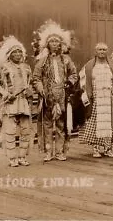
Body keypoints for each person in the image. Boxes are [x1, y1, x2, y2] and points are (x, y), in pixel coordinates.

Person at [32, 20, 78, 162]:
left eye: (57, 42)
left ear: (61, 45)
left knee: (60, 124)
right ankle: (48, 152)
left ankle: (59, 151)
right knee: (47, 124)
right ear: (48, 44)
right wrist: (41, 89)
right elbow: (36, 77)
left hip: (62, 96)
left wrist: (69, 83)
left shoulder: (66, 60)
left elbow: (74, 74)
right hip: (47, 97)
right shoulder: (42, 60)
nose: (55, 45)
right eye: (52, 42)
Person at [0, 36, 34, 167]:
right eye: (14, 52)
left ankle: (22, 156)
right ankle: (12, 158)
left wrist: (30, 91)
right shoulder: (4, 69)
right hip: (10, 103)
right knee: (10, 131)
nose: (17, 54)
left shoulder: (27, 68)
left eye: (19, 52)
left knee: (25, 130)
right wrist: (6, 94)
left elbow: (29, 84)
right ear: (9, 55)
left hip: (23, 102)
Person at [78, 42, 113, 158]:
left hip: (109, 98)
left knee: (110, 123)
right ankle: (96, 149)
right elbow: (83, 80)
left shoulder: (112, 65)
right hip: (96, 98)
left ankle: (108, 148)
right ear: (95, 51)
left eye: (104, 50)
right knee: (95, 123)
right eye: (99, 50)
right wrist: (87, 92)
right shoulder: (89, 66)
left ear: (107, 51)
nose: (102, 52)